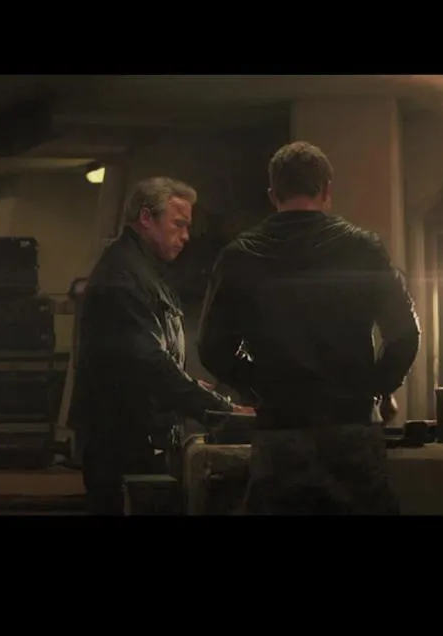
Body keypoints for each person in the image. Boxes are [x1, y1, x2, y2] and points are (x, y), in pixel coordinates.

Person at [198, 141, 420, 515]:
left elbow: (212, 347)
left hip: (280, 427)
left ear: (273, 194)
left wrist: (257, 386)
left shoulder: (239, 256)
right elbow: (404, 335)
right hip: (351, 426)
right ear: (327, 190)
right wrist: (374, 386)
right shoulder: (363, 248)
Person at [68, 176, 237, 515]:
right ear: (146, 218)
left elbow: (149, 360)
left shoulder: (142, 270)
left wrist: (190, 387)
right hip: (123, 444)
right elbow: (148, 363)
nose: (186, 236)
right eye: (179, 224)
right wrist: (218, 410)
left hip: (138, 437)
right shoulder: (123, 277)